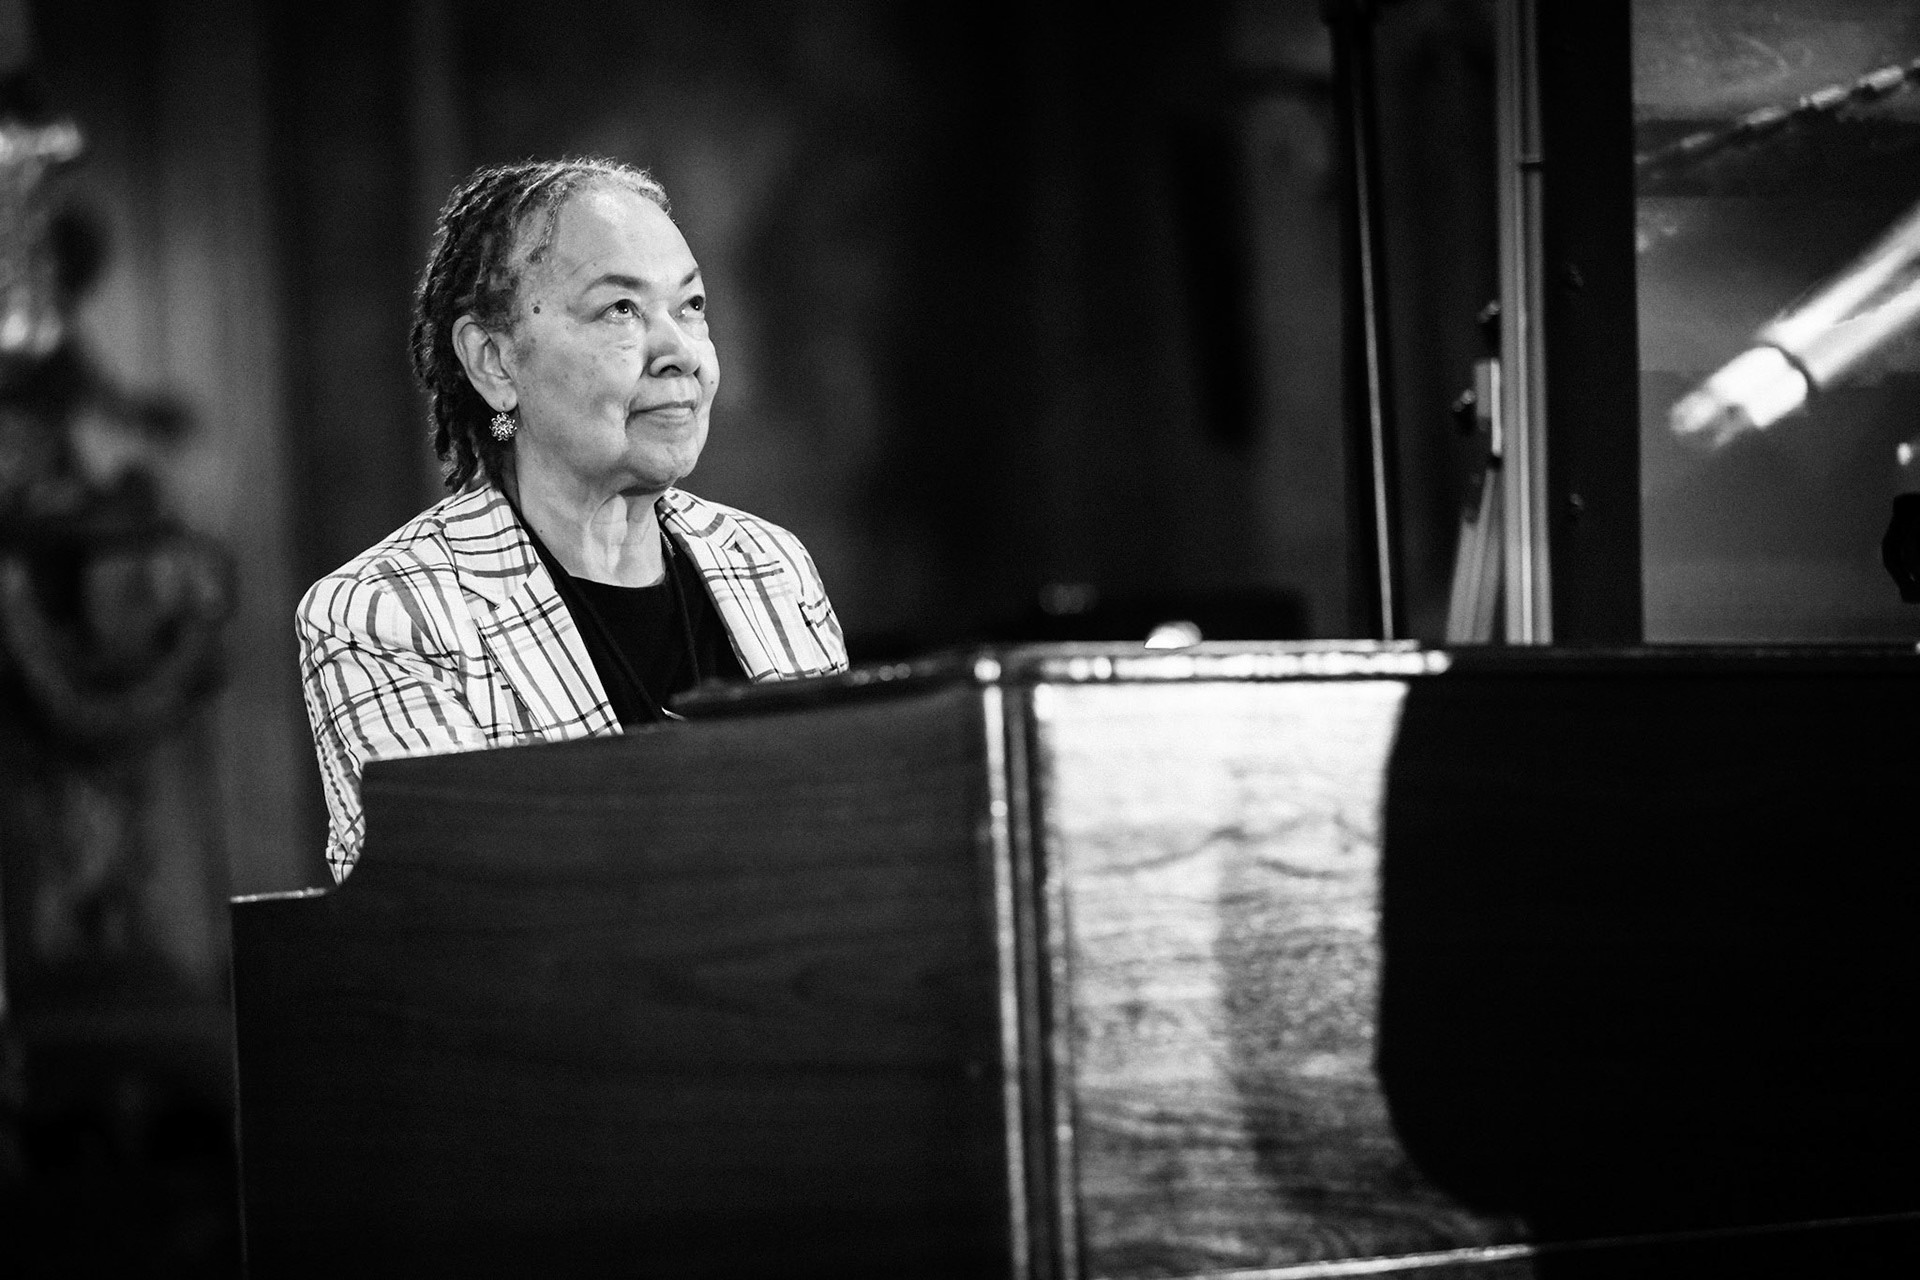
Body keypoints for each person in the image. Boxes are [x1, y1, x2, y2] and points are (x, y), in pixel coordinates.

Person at [297, 158, 847, 882]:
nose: (680, 353)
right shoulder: (388, 615)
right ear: (494, 361)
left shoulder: (769, 566)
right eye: (620, 310)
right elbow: (455, 919)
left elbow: (851, 850)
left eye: (690, 306)